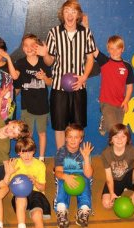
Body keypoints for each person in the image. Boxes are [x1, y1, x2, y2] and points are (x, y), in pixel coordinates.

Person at [35, 0, 96, 149]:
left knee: (77, 126)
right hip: (58, 88)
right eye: (67, 10)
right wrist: (44, 55)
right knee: (60, 126)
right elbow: (50, 62)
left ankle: (75, 159)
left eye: (74, 11)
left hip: (78, 86)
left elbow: (90, 59)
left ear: (78, 15)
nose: (70, 14)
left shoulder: (86, 32)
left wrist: (84, 77)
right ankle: (61, 160)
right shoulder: (54, 32)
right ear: (62, 13)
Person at [100, 123, 134, 224]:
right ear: (111, 139)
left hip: (129, 177)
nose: (119, 140)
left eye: (123, 136)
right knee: (106, 204)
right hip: (115, 180)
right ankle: (121, 192)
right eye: (116, 136)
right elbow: (108, 178)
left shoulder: (131, 150)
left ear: (127, 139)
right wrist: (112, 193)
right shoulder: (105, 153)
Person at [14, 34, 52, 162]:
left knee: (42, 133)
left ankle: (41, 158)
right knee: (27, 134)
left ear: (37, 47)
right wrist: (9, 98)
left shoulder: (44, 62)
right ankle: (26, 157)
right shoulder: (19, 63)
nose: (29, 48)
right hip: (26, 106)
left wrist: (44, 78)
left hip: (42, 106)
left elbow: (50, 82)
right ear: (22, 47)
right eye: (26, 45)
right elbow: (17, 85)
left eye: (32, 45)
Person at [9, 137, 51, 228]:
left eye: (29, 152)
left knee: (37, 214)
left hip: (36, 193)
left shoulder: (40, 165)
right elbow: (8, 185)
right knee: (20, 198)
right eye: (23, 152)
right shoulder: (15, 164)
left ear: (34, 151)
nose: (26, 155)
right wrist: (9, 172)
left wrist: (35, 182)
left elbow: (42, 187)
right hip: (20, 194)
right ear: (18, 153)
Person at [54, 123, 94, 228]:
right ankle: (61, 211)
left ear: (81, 139)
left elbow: (89, 175)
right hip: (65, 174)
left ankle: (83, 210)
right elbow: (57, 172)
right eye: (70, 137)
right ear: (66, 138)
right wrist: (65, 177)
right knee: (61, 183)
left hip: (81, 175)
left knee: (86, 183)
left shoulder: (85, 152)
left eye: (76, 137)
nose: (73, 140)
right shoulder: (61, 152)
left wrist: (86, 158)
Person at [93, 35, 134, 135]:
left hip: (120, 103)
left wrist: (126, 101)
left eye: (117, 48)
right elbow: (93, 48)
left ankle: (105, 122)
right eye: (111, 48)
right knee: (114, 130)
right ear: (108, 49)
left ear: (122, 49)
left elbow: (129, 86)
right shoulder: (105, 62)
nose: (114, 51)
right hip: (107, 102)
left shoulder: (127, 66)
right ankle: (105, 120)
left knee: (120, 131)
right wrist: (86, 27)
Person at [0, 86, 30, 169]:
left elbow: (6, 165)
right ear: (10, 122)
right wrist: (1, 97)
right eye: (13, 127)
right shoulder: (0, 124)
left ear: (12, 137)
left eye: (13, 133)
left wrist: (8, 176)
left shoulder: (4, 146)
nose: (10, 131)